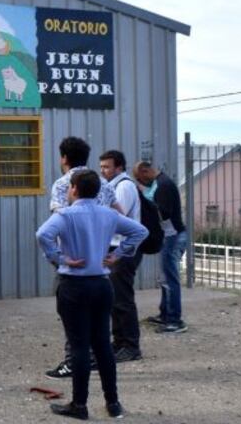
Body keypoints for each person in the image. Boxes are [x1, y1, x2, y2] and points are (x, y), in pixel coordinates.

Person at [37, 169, 147, 420]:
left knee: (79, 345)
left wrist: (59, 258)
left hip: (73, 284)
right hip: (101, 284)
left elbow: (43, 234)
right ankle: (113, 403)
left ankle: (79, 404)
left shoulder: (65, 215)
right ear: (98, 190)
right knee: (103, 345)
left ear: (74, 189)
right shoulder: (108, 214)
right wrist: (117, 255)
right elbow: (140, 231)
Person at [46, 137, 124, 380]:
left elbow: (57, 220)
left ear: (64, 158)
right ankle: (94, 359)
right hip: (99, 254)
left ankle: (74, 361)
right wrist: (115, 251)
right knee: (97, 311)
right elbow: (120, 214)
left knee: (71, 310)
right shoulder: (102, 183)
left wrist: (58, 256)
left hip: (73, 256)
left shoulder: (64, 184)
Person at [99, 150, 143, 362]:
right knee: (115, 298)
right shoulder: (112, 186)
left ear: (119, 167)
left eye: (107, 167)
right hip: (116, 248)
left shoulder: (123, 186)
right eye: (101, 167)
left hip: (123, 250)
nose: (103, 171)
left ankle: (130, 346)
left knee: (122, 299)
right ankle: (119, 342)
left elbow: (118, 217)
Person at [134, 161, 188, 334]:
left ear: (145, 171)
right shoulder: (161, 183)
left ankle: (174, 320)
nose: (141, 183)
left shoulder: (163, 185)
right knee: (166, 277)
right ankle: (165, 314)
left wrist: (145, 201)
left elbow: (163, 212)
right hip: (171, 235)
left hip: (173, 235)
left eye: (140, 179)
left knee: (170, 278)